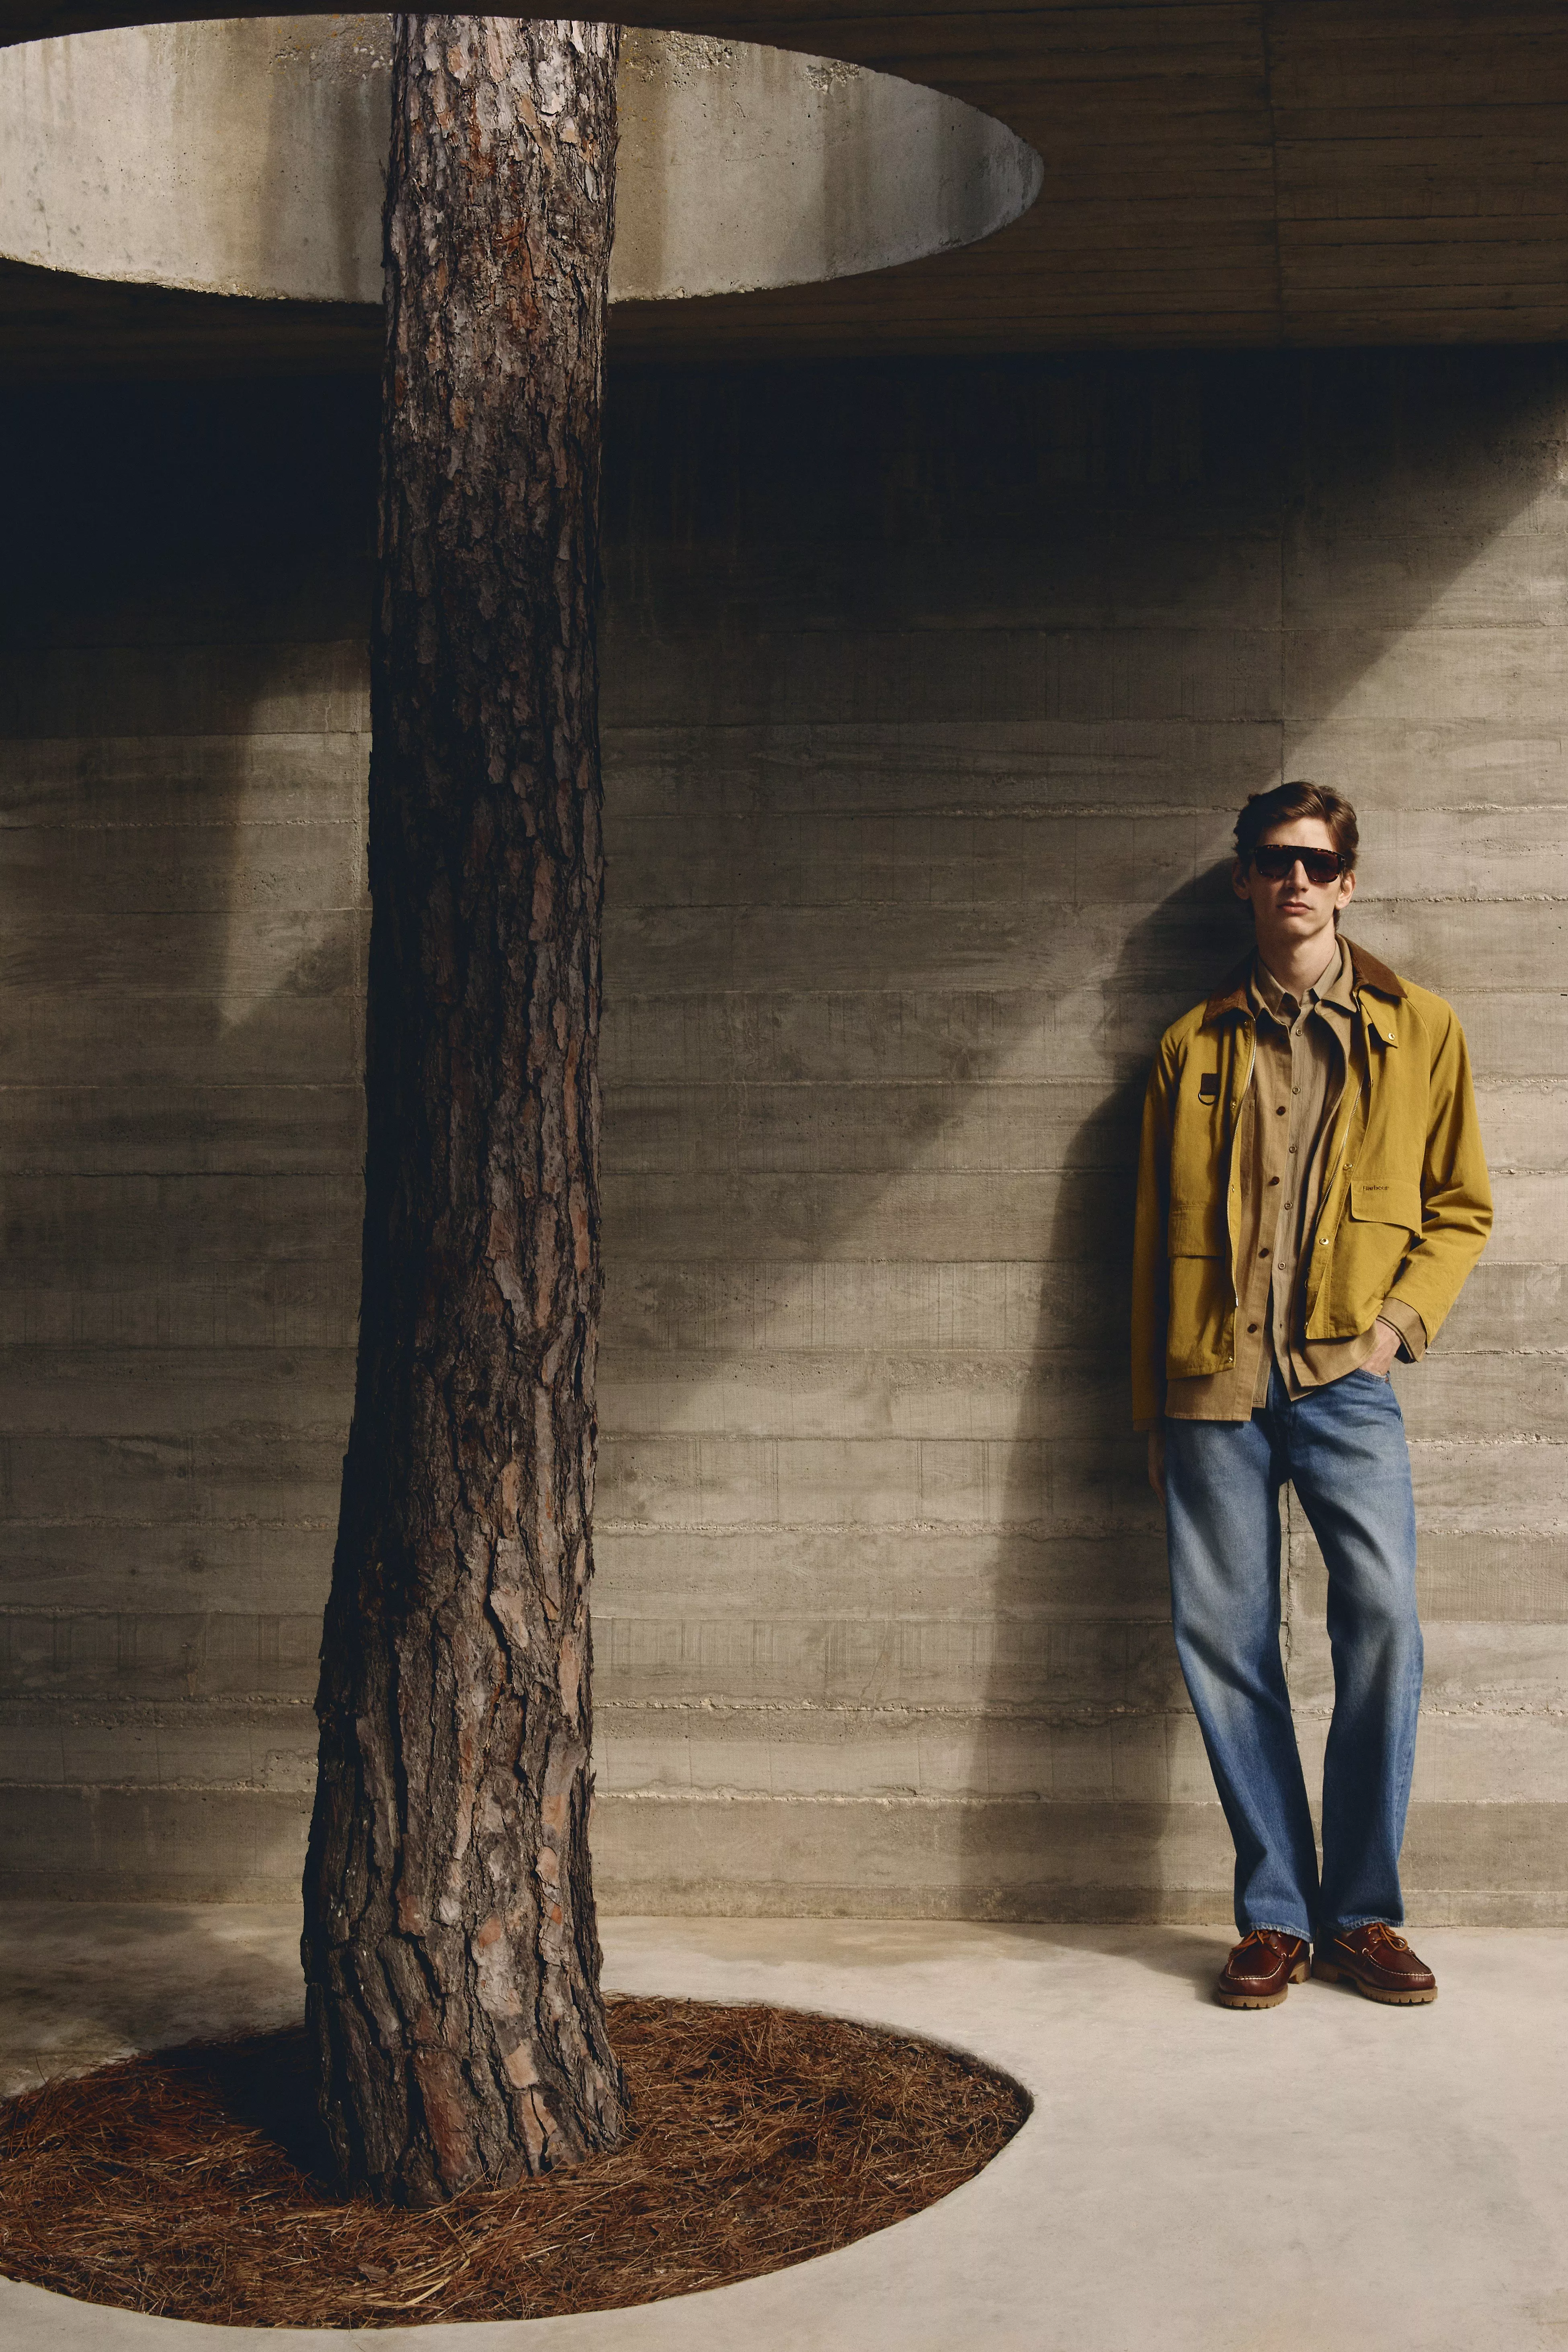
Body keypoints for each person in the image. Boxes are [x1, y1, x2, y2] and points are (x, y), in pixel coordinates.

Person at [1131, 781, 1491, 2010]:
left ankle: (1364, 1915)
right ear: (1244, 877)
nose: (1295, 879)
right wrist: (1151, 1410)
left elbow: (1460, 1207)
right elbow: (1145, 1244)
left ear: (1346, 882)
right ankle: (1275, 1915)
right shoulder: (1191, 1045)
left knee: (1381, 1623)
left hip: (1346, 1381)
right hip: (1208, 1387)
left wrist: (1390, 1334)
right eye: (1273, 859)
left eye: (1317, 861)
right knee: (1224, 1644)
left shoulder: (1421, 1030)